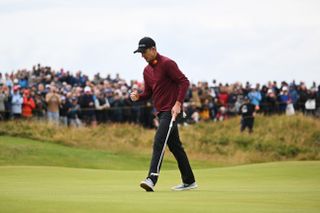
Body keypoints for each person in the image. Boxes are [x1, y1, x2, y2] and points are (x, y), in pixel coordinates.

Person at [131, 37, 197, 192]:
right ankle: (189, 181)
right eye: (140, 53)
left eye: (144, 52)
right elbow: (148, 93)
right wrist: (138, 96)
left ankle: (151, 178)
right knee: (175, 147)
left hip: (172, 111)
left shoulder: (167, 64)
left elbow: (184, 82)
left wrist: (178, 103)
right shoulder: (147, 71)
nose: (143, 56)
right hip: (161, 113)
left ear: (153, 49)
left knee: (159, 141)